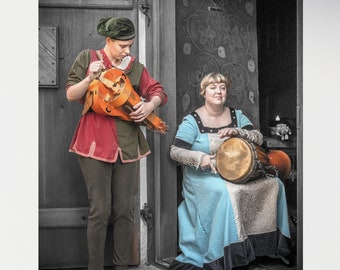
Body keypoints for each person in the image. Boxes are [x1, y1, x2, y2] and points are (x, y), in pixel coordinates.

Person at [65, 17, 168, 270]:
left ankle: (122, 267)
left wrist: (149, 104)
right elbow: (70, 95)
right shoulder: (88, 58)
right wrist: (90, 79)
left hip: (127, 145)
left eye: (130, 45)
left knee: (125, 211)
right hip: (93, 143)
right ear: (109, 40)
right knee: (100, 210)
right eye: (123, 45)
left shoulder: (136, 67)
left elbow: (158, 92)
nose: (127, 51)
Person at [168, 72, 292, 270]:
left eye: (222, 87)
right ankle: (227, 253)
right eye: (212, 87)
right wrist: (201, 158)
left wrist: (238, 132)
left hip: (237, 173)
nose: (218, 91)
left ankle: (267, 248)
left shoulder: (237, 115)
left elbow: (258, 137)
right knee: (229, 193)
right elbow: (175, 151)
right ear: (203, 92)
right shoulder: (193, 120)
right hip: (204, 176)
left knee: (274, 184)